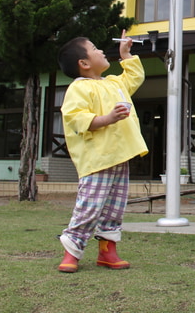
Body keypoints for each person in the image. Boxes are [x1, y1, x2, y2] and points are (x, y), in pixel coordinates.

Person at [56, 32, 148, 273]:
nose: (101, 51)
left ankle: (108, 251)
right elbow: (76, 118)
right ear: (84, 64)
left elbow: (134, 77)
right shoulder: (79, 88)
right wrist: (108, 118)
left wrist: (126, 55)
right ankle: (72, 251)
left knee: (114, 208)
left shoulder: (113, 83)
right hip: (98, 159)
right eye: (94, 48)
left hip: (120, 156)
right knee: (89, 206)